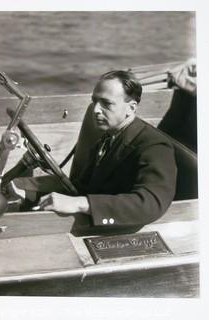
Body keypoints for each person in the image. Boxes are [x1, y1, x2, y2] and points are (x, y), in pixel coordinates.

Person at [36, 70, 177, 232]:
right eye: (94, 101)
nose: (95, 109)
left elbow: (151, 203)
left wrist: (80, 203)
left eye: (106, 103)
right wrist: (31, 189)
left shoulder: (154, 145)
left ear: (130, 108)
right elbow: (83, 186)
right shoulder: (108, 137)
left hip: (118, 231)